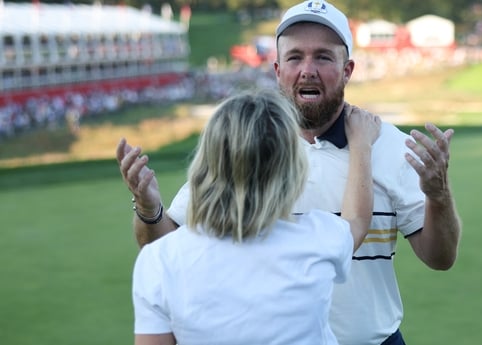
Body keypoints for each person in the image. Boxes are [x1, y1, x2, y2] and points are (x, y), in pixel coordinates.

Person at [117, 1, 462, 344]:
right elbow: (170, 245)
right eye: (295, 57)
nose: (307, 69)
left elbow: (440, 257)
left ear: (348, 69)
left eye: (323, 57)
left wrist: (438, 194)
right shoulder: (242, 145)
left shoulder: (390, 146)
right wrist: (149, 210)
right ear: (278, 69)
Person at [131, 89, 381, 345]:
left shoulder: (158, 259)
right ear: (292, 169)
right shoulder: (319, 237)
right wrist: (361, 145)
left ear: (206, 164)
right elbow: (358, 221)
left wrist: (149, 208)